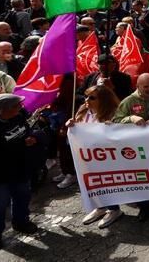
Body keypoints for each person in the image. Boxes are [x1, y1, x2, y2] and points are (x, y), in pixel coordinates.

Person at [112, 74, 149, 222]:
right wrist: (131, 118)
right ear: (137, 86)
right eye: (146, 86)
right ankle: (144, 208)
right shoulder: (128, 101)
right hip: (138, 150)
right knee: (141, 179)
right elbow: (116, 121)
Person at [63, 85, 122, 228]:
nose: (87, 100)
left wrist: (112, 127)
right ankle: (100, 207)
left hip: (105, 157)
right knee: (92, 183)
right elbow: (75, 134)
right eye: (86, 96)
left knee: (106, 183)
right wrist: (71, 126)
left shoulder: (113, 114)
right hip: (86, 156)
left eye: (92, 97)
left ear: (103, 100)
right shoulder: (82, 111)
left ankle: (114, 209)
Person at [0, 94, 42, 251]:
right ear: (5, 110)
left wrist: (33, 137)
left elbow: (27, 132)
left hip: (20, 168)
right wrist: (21, 144)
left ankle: (21, 222)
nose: (21, 108)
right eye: (17, 106)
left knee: (22, 196)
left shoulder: (18, 116)